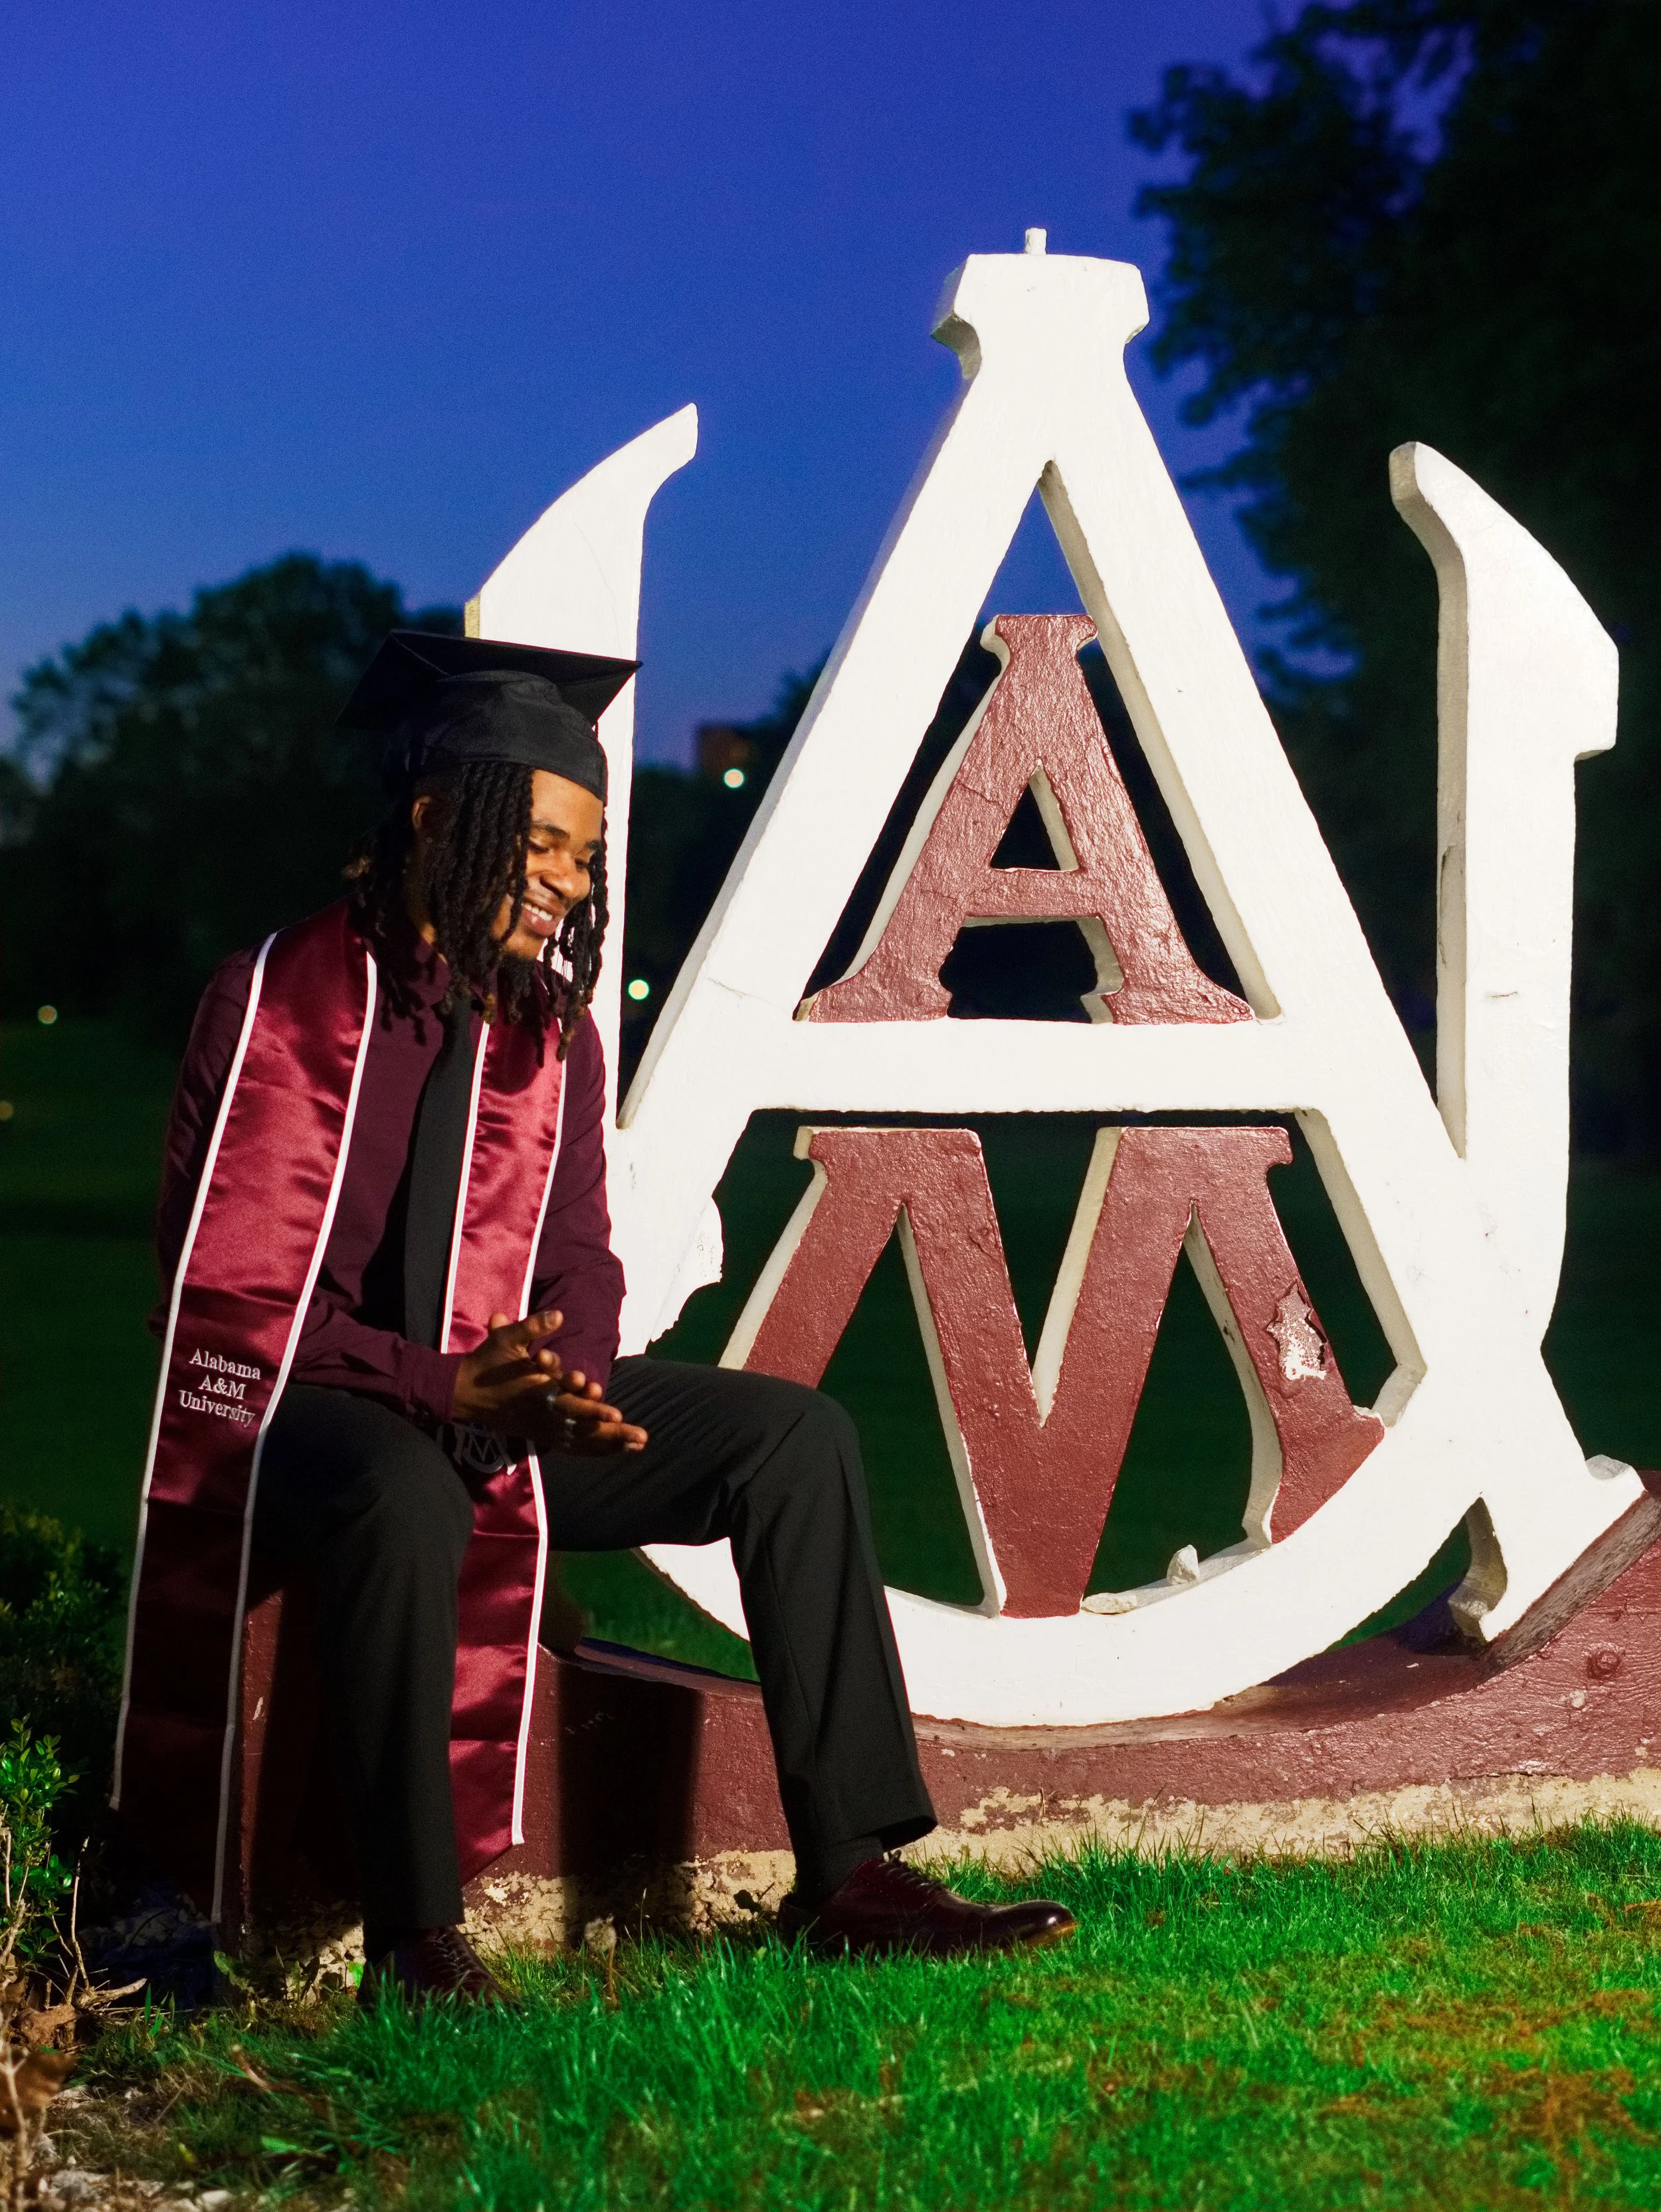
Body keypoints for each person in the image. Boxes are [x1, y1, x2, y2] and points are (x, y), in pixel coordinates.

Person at [114, 632, 1074, 2001]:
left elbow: (579, 1256)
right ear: (442, 816)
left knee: (786, 1438)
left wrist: (564, 1379)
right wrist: (445, 1392)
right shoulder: (275, 1003)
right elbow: (237, 1303)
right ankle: (417, 1940)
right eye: (549, 844)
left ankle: (848, 1871)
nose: (571, 881)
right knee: (405, 1492)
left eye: (586, 854)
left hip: (493, 1406)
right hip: (297, 1417)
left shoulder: (542, 1032)